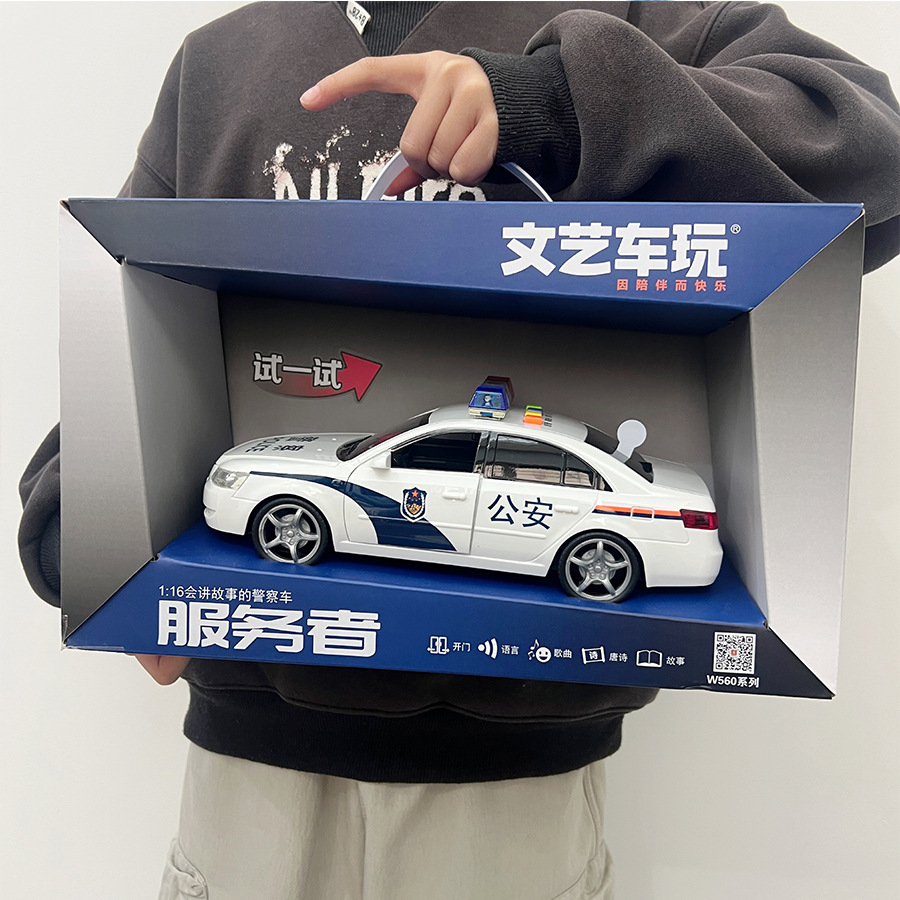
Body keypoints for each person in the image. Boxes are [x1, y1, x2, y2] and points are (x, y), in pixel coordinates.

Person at [17, 3, 899, 898]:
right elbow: (125, 331)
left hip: (514, 798)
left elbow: (875, 156)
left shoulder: (643, 16)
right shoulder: (217, 63)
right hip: (244, 783)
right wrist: (90, 548)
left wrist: (557, 104)